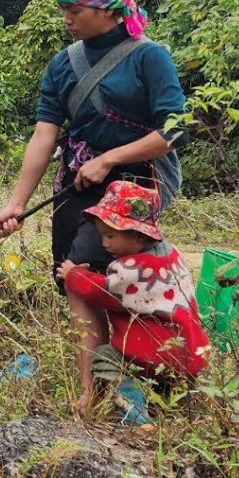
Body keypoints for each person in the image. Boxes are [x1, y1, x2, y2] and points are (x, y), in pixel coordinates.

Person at [0, 0, 187, 414]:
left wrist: (112, 158)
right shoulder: (63, 65)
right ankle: (107, 381)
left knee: (88, 274)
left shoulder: (149, 58)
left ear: (108, 8)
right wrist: (16, 203)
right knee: (71, 278)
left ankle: (93, 395)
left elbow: (176, 128)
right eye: (62, 9)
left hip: (136, 185)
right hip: (77, 185)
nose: (66, 18)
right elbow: (44, 136)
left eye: (74, 9)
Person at [56, 181, 210, 425]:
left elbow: (103, 291)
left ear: (139, 235)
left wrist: (74, 275)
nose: (104, 243)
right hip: (189, 356)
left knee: (105, 357)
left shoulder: (134, 270)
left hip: (154, 358)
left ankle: (135, 416)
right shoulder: (170, 255)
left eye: (110, 235)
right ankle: (169, 404)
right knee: (170, 386)